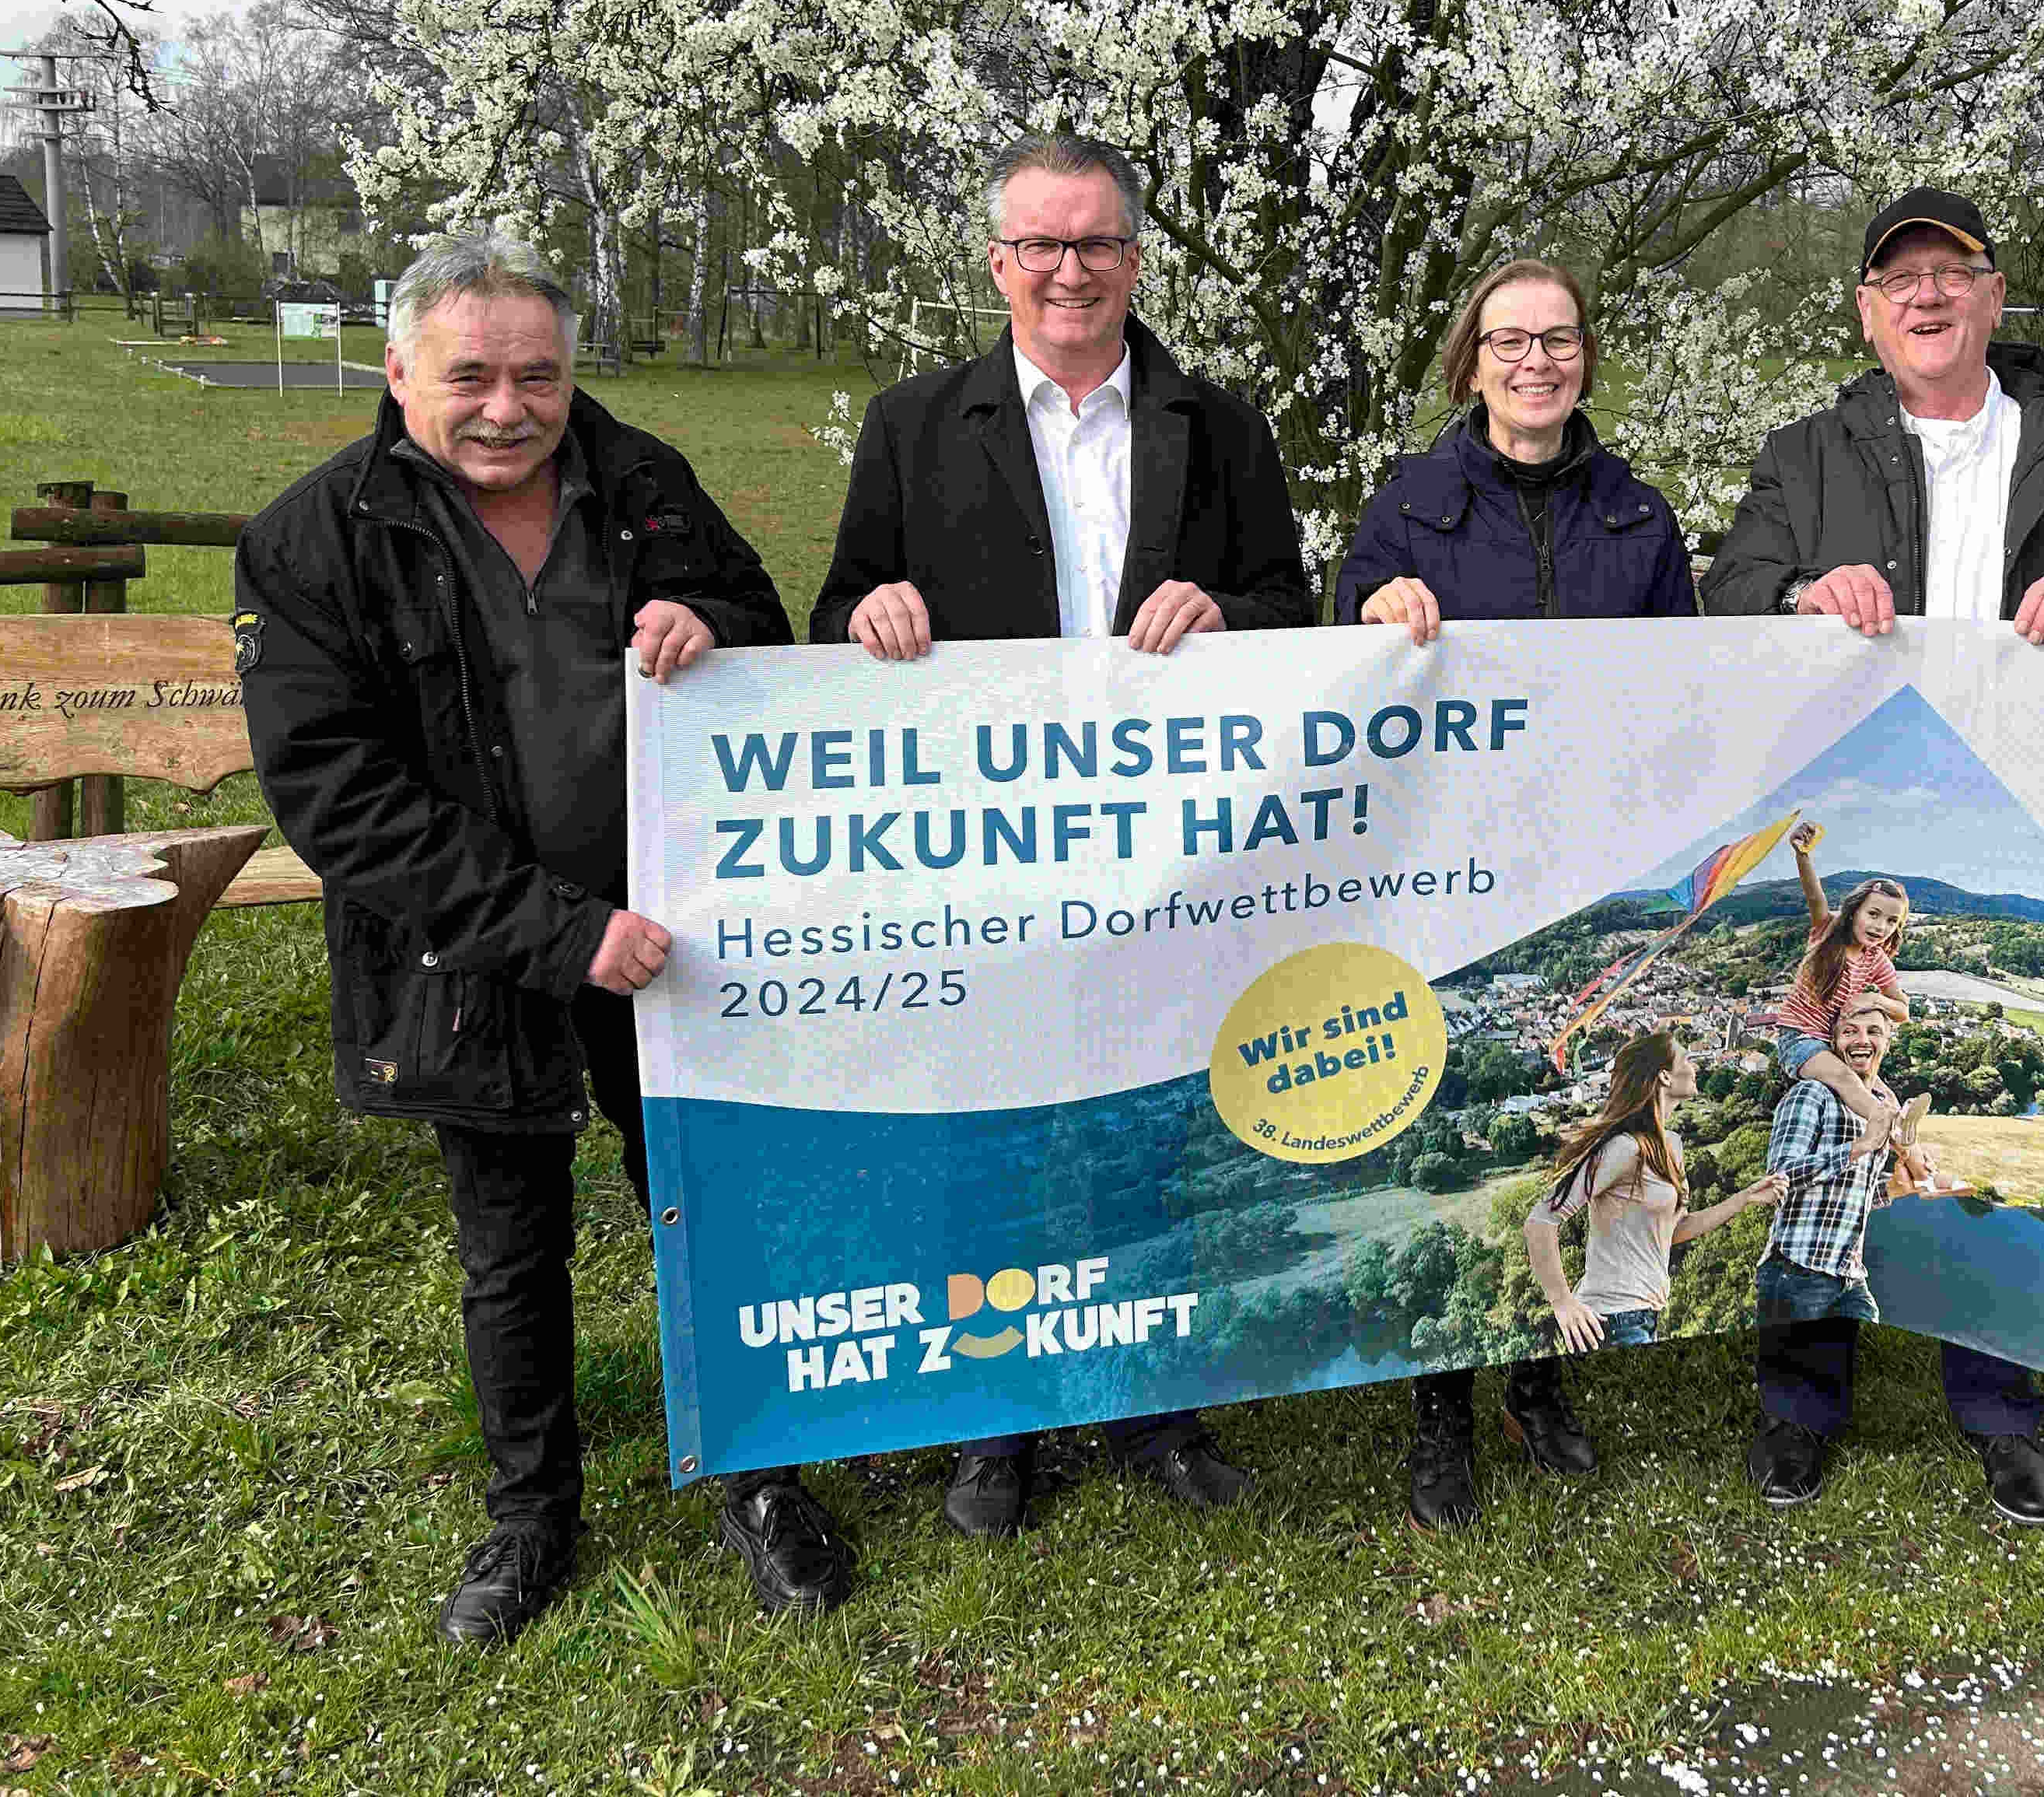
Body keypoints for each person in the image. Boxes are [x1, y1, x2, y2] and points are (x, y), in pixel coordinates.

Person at [236, 233, 853, 1647]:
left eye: (537, 374)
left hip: (678, 933)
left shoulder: (641, 482)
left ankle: (760, 1475)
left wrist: (710, 622)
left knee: (703, 1197)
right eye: (470, 375)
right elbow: (341, 795)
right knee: (507, 1238)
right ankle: (531, 1515)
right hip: (478, 950)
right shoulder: (316, 536)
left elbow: (762, 626)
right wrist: (556, 931)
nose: (506, 405)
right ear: (395, 373)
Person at [811, 128, 1315, 1540]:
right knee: (992, 1125)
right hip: (989, 849)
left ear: (1135, 257)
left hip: (1170, 851)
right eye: (1038, 243)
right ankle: (997, 1414)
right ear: (996, 262)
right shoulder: (917, 422)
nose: (1067, 269)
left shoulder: (1218, 425)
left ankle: (1156, 1392)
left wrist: (1230, 613)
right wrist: (869, 616)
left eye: (1093, 241)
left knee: (1151, 1118)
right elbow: (835, 611)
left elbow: (1290, 606)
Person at [1705, 184, 2044, 1525]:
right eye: (1898, 280)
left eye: (1951, 274)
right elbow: (1727, 588)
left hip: (2029, 804)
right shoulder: (1804, 452)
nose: (1926, 297)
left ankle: (2000, 1402)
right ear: (1868, 314)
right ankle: (1799, 1400)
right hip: (1862, 797)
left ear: (1992, 298)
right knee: (1818, 1139)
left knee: (1942, 1130)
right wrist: (1797, 593)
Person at [1330, 255, 1702, 1529]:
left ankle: (1538, 1377)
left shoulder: (1638, 519)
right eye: (1509, 341)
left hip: (1581, 872)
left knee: (1572, 1127)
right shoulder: (1410, 502)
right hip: (1446, 870)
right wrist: (1373, 603)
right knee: (1452, 1120)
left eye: (1557, 339)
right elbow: (1333, 645)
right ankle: (1441, 1397)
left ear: (1584, 356)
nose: (1535, 360)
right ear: (1470, 359)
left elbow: (1687, 687)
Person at [1745, 997, 1928, 1505]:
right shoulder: (1812, 1097)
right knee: (1789, 1393)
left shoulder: (1886, 1103)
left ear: (1889, 1041)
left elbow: (1859, 1197)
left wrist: (1895, 1192)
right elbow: (1777, 1179)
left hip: (1849, 1274)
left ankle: (1814, 1424)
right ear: (1832, 1041)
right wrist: (1860, 1146)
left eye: (1873, 1030)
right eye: (1849, 1031)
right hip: (1797, 1270)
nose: (1861, 1040)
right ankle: (1782, 1441)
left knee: (1859, 1364)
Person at [1527, 1033, 1790, 1353]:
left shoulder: (1672, 1146)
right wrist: (1563, 1303)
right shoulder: (1624, 1148)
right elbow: (1541, 1221)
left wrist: (1744, 1197)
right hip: (1611, 1321)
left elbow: (1675, 1231)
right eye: (1686, 1060)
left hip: (1645, 1317)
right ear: (1664, 1076)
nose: (1694, 1067)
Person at [1756, 828, 1935, 1186]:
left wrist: (1873, 999)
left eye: (1891, 922)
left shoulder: (1876, 960)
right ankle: (1893, 1128)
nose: (1880, 926)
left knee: (1887, 1094)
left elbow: (1903, 1010)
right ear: (1854, 912)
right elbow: (1814, 894)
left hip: (1833, 1044)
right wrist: (1803, 855)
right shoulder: (1827, 935)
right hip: (1800, 1039)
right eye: (1874, 914)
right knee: (1846, 1080)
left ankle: (1923, 1173)